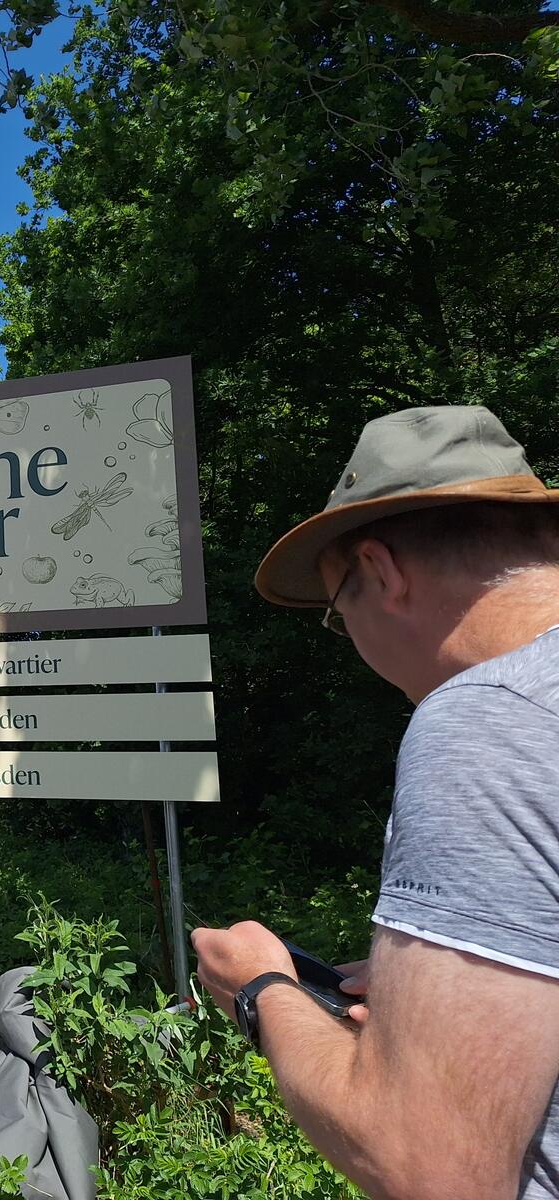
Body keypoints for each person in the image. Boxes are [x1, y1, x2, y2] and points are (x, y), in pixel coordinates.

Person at [192, 406, 559, 1200]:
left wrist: (262, 991)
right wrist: (455, 993)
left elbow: (433, 1170)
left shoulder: (487, 717)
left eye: (335, 611)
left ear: (383, 571)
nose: (348, 639)